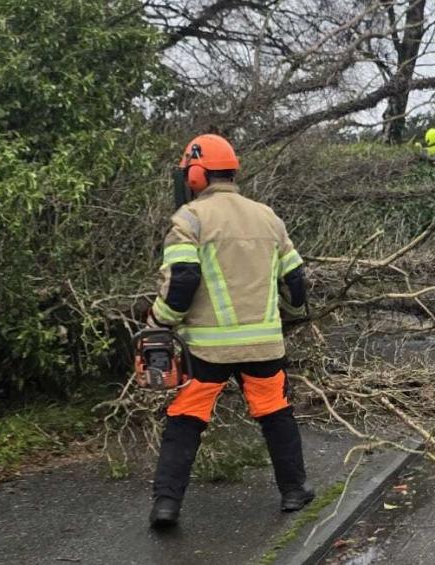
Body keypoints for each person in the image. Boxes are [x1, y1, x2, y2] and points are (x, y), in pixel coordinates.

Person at [147, 133, 314, 527]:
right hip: (263, 345)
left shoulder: (189, 219)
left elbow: (182, 281)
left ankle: (166, 505)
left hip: (206, 349)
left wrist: (160, 322)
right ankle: (294, 491)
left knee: (186, 419)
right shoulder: (267, 216)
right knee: (275, 413)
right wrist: (288, 316)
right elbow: (296, 283)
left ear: (197, 175)